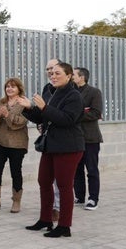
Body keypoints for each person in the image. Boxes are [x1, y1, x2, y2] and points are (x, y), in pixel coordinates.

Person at [21, 62, 84, 238]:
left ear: (69, 75)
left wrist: (44, 107)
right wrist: (29, 108)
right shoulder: (52, 93)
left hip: (69, 147)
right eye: (51, 73)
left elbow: (67, 119)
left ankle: (64, 226)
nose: (53, 76)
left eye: (57, 73)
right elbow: (43, 118)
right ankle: (45, 219)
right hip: (51, 145)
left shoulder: (74, 96)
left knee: (64, 186)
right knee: (44, 181)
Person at [0, 78, 29, 213]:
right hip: (1, 142)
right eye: (7, 86)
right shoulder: (1, 102)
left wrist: (7, 115)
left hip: (17, 144)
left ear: (19, 89)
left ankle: (16, 201)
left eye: (13, 87)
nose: (9, 89)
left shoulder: (24, 103)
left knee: (16, 172)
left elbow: (20, 123)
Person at [72, 67, 103, 210]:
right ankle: (79, 196)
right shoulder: (71, 92)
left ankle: (93, 199)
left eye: (74, 74)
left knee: (91, 169)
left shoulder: (94, 92)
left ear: (82, 77)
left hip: (90, 138)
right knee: (76, 169)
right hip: (74, 138)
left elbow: (96, 113)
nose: (71, 76)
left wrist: (76, 114)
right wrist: (82, 111)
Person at [42, 58, 62, 221]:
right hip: (48, 138)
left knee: (61, 178)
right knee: (47, 177)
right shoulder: (47, 89)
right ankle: (52, 207)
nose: (50, 72)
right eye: (48, 69)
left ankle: (59, 208)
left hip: (64, 140)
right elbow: (43, 111)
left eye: (53, 69)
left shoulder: (70, 91)